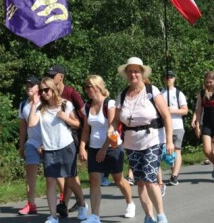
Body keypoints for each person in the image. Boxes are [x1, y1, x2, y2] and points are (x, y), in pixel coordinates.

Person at [111, 57, 174, 223]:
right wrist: (110, 132)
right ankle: (148, 216)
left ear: (141, 73)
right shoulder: (123, 95)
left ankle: (161, 215)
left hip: (153, 139)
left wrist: (169, 141)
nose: (133, 74)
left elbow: (166, 116)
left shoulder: (151, 91)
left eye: (136, 71)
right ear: (126, 74)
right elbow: (116, 120)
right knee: (140, 182)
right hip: (131, 143)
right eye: (130, 71)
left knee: (149, 178)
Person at [28, 77, 88, 223]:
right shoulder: (40, 108)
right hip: (49, 149)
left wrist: (66, 118)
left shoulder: (65, 105)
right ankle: (53, 216)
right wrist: (34, 104)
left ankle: (82, 204)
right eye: (41, 91)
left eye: (46, 90)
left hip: (66, 146)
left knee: (71, 179)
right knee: (50, 181)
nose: (44, 93)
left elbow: (77, 124)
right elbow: (31, 123)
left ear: (53, 89)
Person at [79, 75, 135, 223]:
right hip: (94, 148)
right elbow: (86, 130)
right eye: (85, 87)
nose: (86, 90)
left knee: (118, 180)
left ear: (97, 87)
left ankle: (130, 203)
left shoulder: (109, 104)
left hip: (112, 147)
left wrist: (104, 149)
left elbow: (112, 128)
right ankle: (95, 216)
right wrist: (82, 147)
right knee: (94, 180)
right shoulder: (87, 106)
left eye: (88, 86)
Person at [45, 64, 85, 216]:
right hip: (54, 139)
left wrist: (83, 142)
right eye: (48, 75)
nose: (50, 77)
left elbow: (83, 115)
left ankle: (76, 203)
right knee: (65, 173)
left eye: (52, 75)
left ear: (60, 77)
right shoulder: (47, 95)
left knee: (70, 174)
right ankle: (64, 204)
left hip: (72, 136)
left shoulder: (71, 93)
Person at [17, 76, 41, 215]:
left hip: (48, 142)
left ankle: (62, 200)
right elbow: (23, 126)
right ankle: (31, 204)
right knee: (30, 172)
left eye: (32, 85)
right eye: (27, 85)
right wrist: (22, 145)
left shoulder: (44, 102)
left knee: (54, 175)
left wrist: (45, 143)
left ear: (38, 87)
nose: (29, 87)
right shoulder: (23, 104)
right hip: (31, 142)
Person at [160, 70, 188, 186]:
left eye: (171, 77)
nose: (169, 79)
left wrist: (173, 110)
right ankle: (168, 172)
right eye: (167, 77)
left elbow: (185, 110)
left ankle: (174, 175)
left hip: (177, 125)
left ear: (174, 79)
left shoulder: (178, 93)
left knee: (177, 150)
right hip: (163, 127)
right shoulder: (160, 93)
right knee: (164, 151)